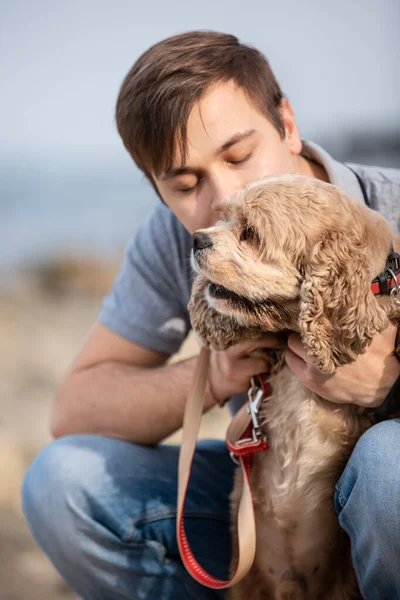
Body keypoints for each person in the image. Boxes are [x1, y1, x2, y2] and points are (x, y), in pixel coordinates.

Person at [22, 31, 400, 600]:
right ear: (158, 192)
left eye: (239, 155)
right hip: (255, 499)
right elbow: (75, 408)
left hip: (376, 503)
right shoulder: (183, 243)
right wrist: (215, 377)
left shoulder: (388, 210)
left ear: (287, 123)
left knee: (388, 468)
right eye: (185, 183)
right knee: (61, 482)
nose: (222, 199)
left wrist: (387, 385)